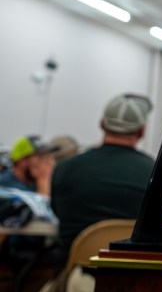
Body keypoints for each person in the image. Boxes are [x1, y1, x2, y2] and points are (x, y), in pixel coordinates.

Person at [50, 94, 156, 264]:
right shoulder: (154, 173)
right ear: (141, 131)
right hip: (131, 272)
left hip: (76, 272)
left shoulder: (65, 168)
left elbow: (57, 212)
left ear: (102, 124)